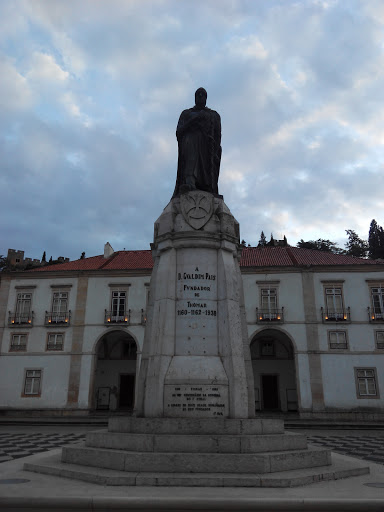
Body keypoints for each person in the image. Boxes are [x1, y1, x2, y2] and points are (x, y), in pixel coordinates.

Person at [172, 88, 221, 197]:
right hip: (190, 143)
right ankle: (190, 181)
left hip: (207, 147)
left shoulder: (213, 115)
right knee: (191, 139)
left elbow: (217, 136)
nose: (200, 97)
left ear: (206, 98)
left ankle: (207, 185)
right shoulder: (186, 113)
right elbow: (179, 132)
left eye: (202, 95)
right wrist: (194, 121)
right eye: (198, 95)